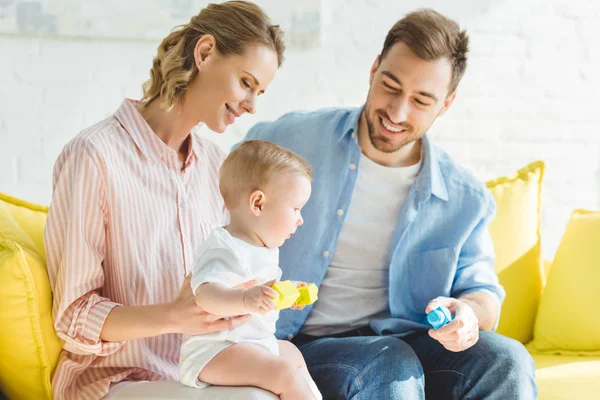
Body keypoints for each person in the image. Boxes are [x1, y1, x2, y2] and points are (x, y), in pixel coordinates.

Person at [240, 8, 538, 399]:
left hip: (409, 342)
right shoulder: (290, 139)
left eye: (421, 100)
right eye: (391, 86)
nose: (397, 112)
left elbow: (482, 293)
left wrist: (467, 314)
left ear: (445, 104)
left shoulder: (464, 197)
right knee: (390, 360)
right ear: (374, 69)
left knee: (507, 359)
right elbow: (219, 202)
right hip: (301, 344)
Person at [44, 2, 285, 399]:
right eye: (245, 82)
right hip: (117, 381)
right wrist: (173, 316)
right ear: (205, 53)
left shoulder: (217, 166)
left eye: (259, 92)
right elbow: (74, 315)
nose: (251, 105)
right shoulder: (94, 156)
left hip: (199, 371)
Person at [179, 140, 320, 399]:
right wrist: (246, 299)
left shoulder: (263, 249)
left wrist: (285, 294)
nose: (301, 220)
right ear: (258, 204)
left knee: (291, 354)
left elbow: (259, 296)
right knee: (283, 373)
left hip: (249, 345)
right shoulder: (225, 247)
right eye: (296, 208)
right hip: (214, 351)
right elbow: (205, 295)